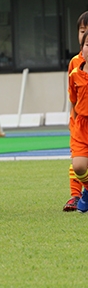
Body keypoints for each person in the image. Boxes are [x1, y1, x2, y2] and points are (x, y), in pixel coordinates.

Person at [63, 11, 88, 211]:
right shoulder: (74, 63)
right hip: (79, 122)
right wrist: (74, 118)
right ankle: (75, 194)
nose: (84, 34)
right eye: (82, 31)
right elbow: (73, 96)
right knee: (78, 161)